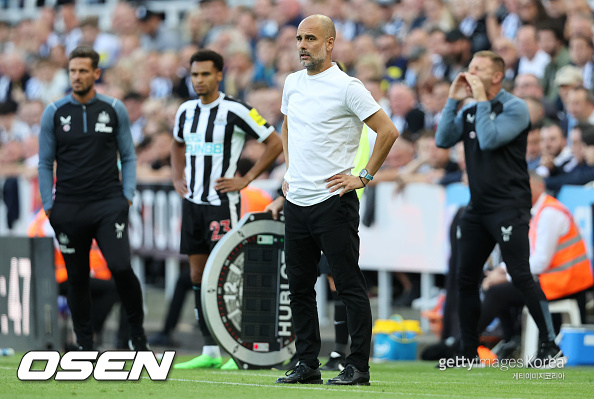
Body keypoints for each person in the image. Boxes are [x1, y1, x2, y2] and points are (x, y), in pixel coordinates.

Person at [274, 15, 398, 386]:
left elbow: (387, 131)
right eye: (298, 38)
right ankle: (307, 362)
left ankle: (358, 365)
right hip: (297, 199)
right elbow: (286, 126)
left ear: (330, 43)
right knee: (298, 286)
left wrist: (364, 176)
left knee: (347, 285)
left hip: (334, 201)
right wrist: (290, 170)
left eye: (310, 38)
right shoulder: (292, 83)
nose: (302, 45)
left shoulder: (347, 86)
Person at [435, 50, 562, 365]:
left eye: (477, 69)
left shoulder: (515, 108)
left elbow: (490, 139)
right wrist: (453, 100)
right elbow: (442, 139)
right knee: (465, 277)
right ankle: (467, 352)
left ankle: (550, 347)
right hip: (478, 207)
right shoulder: (469, 109)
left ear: (495, 76)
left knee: (520, 274)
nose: (469, 73)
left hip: (509, 206)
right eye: (469, 67)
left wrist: (477, 102)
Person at [170, 49, 282, 370]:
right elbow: (177, 143)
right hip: (194, 204)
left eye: (205, 74)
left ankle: (240, 349)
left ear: (220, 75)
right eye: (194, 75)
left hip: (223, 204)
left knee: (230, 276)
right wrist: (177, 176)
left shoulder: (236, 109)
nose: (199, 80)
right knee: (196, 274)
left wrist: (245, 179)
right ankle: (209, 351)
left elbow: (274, 142)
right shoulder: (186, 111)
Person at [38, 46, 148, 351]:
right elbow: (45, 162)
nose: (77, 76)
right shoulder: (54, 112)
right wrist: (50, 206)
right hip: (69, 207)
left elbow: (128, 155)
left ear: (96, 73)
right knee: (76, 277)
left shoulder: (114, 109)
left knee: (121, 267)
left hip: (108, 203)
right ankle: (85, 345)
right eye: (72, 71)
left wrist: (126, 196)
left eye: (83, 71)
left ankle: (137, 334)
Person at [479, 172, 594, 358]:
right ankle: (509, 339)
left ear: (536, 187)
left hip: (565, 284)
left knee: (496, 292)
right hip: (553, 281)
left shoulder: (550, 214)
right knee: (494, 285)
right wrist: (500, 271)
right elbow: (527, 255)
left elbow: (540, 262)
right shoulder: (538, 212)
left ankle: (467, 341)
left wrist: (504, 276)